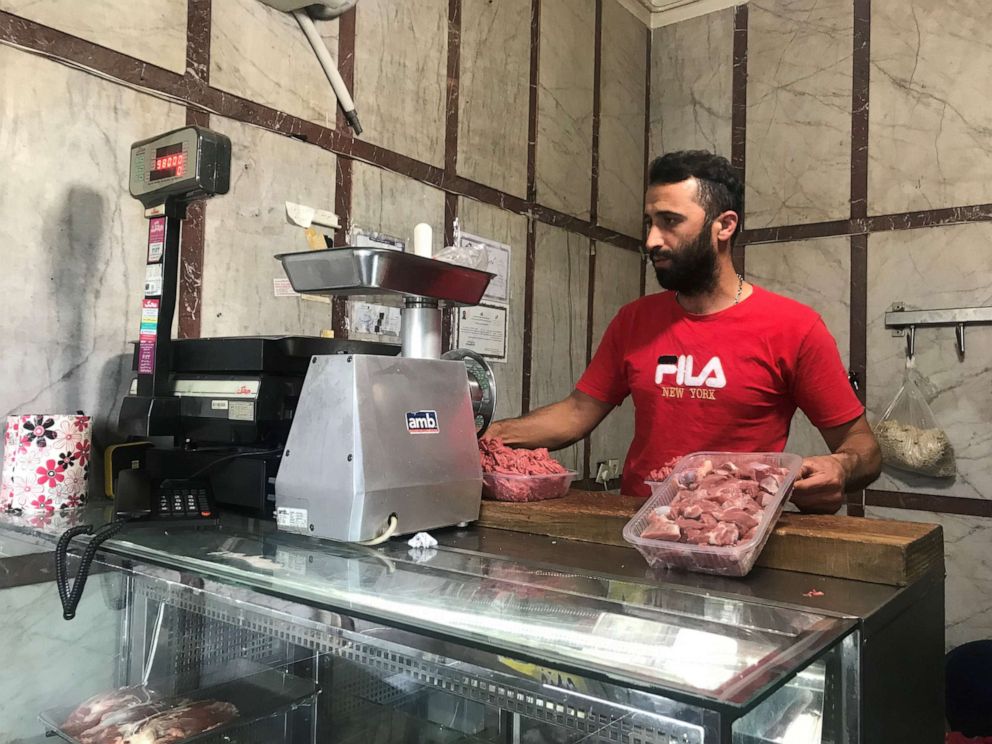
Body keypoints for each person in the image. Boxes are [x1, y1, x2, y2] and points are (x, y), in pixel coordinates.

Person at [486, 150, 881, 513]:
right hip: (644, 532)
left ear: (724, 226)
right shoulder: (634, 321)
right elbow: (574, 414)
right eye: (650, 223)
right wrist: (483, 438)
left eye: (670, 222)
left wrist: (841, 467)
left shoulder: (795, 327)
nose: (651, 241)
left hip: (732, 534)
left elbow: (863, 447)